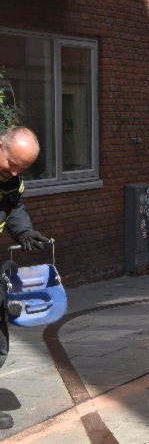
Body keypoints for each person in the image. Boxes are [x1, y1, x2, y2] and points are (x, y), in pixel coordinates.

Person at [0, 127, 50, 430]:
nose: (15, 171)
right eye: (11, 163)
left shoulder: (11, 181)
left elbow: (13, 206)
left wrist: (23, 231)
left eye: (23, 167)